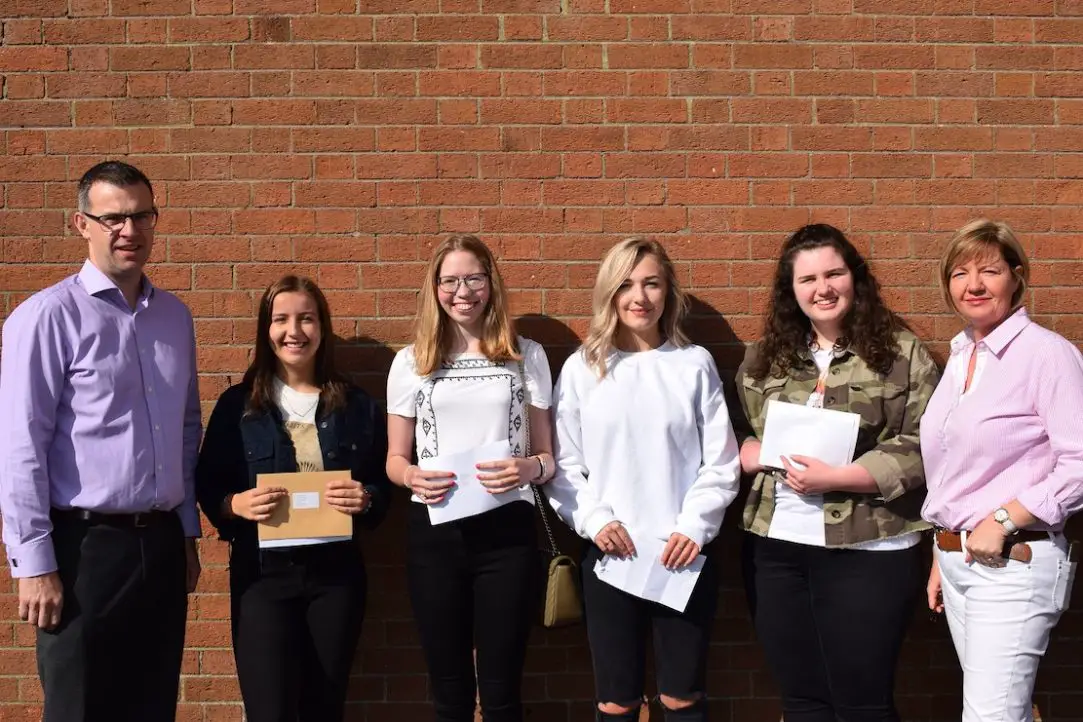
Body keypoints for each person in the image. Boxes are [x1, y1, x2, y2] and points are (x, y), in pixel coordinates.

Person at [0, 160, 201, 721]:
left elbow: (186, 429)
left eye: (140, 216)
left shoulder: (174, 318)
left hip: (158, 545)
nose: (128, 231)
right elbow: (20, 449)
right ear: (81, 224)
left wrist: (185, 534)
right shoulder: (44, 318)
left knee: (151, 704)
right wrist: (34, 564)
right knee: (79, 708)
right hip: (83, 550)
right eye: (112, 218)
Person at [734, 224, 940, 722]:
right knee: (801, 702)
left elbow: (927, 444)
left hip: (869, 548)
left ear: (856, 278)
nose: (822, 288)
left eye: (834, 273)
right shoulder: (763, 358)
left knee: (862, 704)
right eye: (807, 279)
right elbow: (735, 438)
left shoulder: (901, 353)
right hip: (779, 548)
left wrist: (839, 479)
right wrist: (749, 452)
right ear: (791, 291)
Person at [546, 237, 741, 722]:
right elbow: (565, 464)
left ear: (668, 291)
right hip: (613, 556)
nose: (640, 297)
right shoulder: (582, 369)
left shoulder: (693, 364)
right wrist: (594, 520)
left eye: (652, 283)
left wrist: (694, 527)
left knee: (681, 698)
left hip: (682, 556)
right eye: (627, 285)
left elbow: (720, 462)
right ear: (609, 295)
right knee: (616, 702)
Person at [195, 275, 391, 722]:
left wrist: (366, 498)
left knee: (325, 707)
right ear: (266, 330)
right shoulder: (238, 405)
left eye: (306, 319)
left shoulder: (355, 405)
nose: (294, 331)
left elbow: (383, 484)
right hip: (263, 577)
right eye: (281, 319)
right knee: (270, 710)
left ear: (322, 327)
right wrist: (233, 505)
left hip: (335, 576)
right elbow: (207, 483)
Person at [385, 234, 556, 722]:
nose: (463, 291)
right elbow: (394, 459)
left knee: (502, 689)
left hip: (507, 534)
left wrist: (529, 468)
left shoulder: (527, 355)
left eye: (474, 278)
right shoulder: (411, 361)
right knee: (450, 688)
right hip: (435, 533)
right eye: (451, 280)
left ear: (491, 283)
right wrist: (413, 476)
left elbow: (548, 457)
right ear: (434, 288)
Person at [922, 219, 1083, 722]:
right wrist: (942, 544)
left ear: (1016, 277)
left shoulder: (1046, 353)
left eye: (989, 271)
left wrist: (1005, 518)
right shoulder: (961, 355)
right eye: (960, 273)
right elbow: (957, 467)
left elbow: (1079, 462)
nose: (973, 285)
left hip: (1014, 562)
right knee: (1003, 713)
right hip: (959, 562)